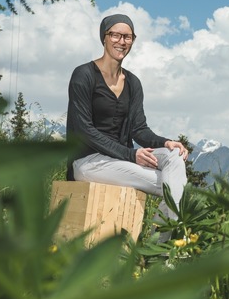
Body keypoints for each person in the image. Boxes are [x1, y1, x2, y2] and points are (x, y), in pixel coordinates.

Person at [66, 13, 188, 242]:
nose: (121, 41)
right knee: (174, 187)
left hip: (122, 161)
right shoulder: (83, 75)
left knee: (174, 158)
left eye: (128, 37)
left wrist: (165, 143)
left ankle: (158, 246)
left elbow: (138, 129)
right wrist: (131, 154)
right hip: (89, 161)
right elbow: (83, 130)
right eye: (115, 35)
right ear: (104, 37)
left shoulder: (133, 83)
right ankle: (161, 248)